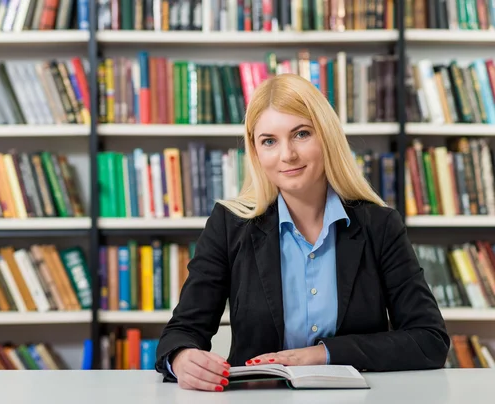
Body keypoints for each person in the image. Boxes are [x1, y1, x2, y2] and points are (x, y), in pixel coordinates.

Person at [154, 73, 450, 392]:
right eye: (269, 141)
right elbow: (181, 332)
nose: (287, 155)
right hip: (257, 400)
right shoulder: (229, 224)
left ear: (326, 136)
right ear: (255, 151)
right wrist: (183, 358)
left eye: (301, 134)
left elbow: (428, 339)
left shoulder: (379, 226)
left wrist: (322, 354)